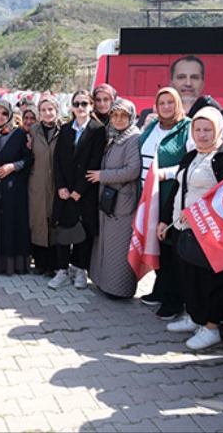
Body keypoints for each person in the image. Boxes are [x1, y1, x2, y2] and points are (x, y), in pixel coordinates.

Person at [157, 107, 223, 350]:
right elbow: (178, 189)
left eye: (208, 130)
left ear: (219, 129)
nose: (202, 135)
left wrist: (203, 217)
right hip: (183, 228)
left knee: (210, 281)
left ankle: (211, 327)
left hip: (210, 233)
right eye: (197, 129)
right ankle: (195, 317)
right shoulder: (191, 155)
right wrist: (165, 220)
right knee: (189, 277)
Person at [138, 87, 195, 320]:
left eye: (171, 102)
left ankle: (173, 300)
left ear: (178, 104)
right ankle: (159, 290)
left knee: (170, 245)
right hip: (147, 194)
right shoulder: (152, 126)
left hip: (170, 194)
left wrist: (164, 174)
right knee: (157, 244)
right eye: (162, 103)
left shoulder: (187, 127)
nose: (166, 107)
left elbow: (191, 162)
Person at [48, 90, 106, 290]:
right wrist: (61, 187)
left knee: (84, 232)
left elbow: (95, 161)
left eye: (84, 104)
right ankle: (62, 271)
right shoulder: (65, 130)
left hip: (85, 192)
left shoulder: (98, 130)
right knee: (63, 231)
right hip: (65, 191)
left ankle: (80, 269)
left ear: (91, 106)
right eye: (77, 104)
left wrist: (80, 190)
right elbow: (57, 162)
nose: (80, 108)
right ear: (71, 107)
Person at [86, 98, 141, 299]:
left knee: (118, 248)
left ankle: (118, 289)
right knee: (106, 245)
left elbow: (133, 170)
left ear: (131, 117)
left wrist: (103, 176)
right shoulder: (115, 136)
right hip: (110, 199)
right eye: (115, 115)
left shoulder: (133, 138)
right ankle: (103, 283)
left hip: (122, 202)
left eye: (123, 116)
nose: (118, 119)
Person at [0, 100, 33, 275]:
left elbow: (28, 159)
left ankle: (15, 265)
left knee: (13, 225)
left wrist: (12, 167)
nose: (0, 116)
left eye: (4, 113)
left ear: (10, 115)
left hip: (13, 189)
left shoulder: (19, 135)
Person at [27, 94, 62, 277]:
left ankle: (54, 265)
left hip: (57, 184)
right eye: (43, 110)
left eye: (50, 109)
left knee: (54, 223)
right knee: (38, 222)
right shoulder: (33, 130)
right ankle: (40, 262)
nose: (47, 113)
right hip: (37, 184)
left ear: (57, 111)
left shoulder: (64, 130)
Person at [137, 56, 206, 128]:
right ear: (171, 83)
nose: (188, 83)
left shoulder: (210, 116)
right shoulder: (147, 114)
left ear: (202, 83)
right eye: (181, 77)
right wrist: (144, 129)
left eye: (194, 77)